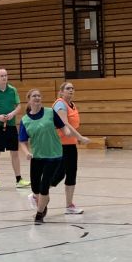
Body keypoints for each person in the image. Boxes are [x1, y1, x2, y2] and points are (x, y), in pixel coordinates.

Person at [18, 89, 72, 225]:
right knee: (35, 188)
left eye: (39, 95)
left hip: (53, 155)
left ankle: (39, 214)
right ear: (29, 100)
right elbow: (22, 142)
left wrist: (66, 131)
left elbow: (62, 126)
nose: (37, 98)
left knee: (44, 187)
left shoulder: (49, 112)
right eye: (34, 96)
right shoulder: (25, 120)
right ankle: (43, 202)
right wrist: (26, 153)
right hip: (37, 157)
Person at [0, 68, 27, 191]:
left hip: (11, 126)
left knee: (14, 152)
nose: (4, 78)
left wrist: (12, 113)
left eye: (6, 75)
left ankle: (19, 180)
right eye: (2, 75)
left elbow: (18, 106)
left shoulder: (12, 90)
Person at [51, 82, 91, 214]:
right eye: (68, 88)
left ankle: (69, 206)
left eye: (73, 88)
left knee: (72, 173)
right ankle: (37, 192)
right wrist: (80, 137)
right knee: (58, 175)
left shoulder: (72, 105)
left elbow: (73, 124)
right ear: (61, 91)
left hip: (70, 145)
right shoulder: (60, 104)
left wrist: (75, 139)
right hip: (60, 145)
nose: (71, 90)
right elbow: (65, 123)